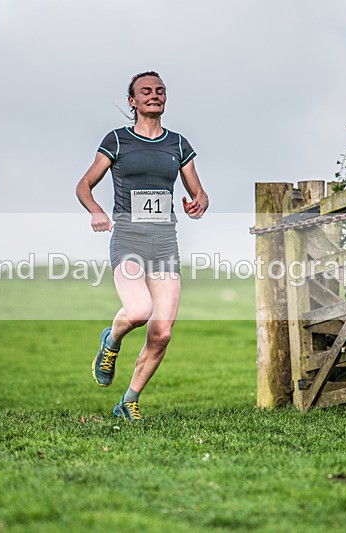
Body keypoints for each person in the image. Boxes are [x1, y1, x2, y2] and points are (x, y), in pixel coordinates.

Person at [75, 71, 209, 422]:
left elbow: (199, 192)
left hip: (164, 243)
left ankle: (129, 400)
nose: (154, 95)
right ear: (132, 101)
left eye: (160, 91)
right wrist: (96, 211)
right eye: (145, 91)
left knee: (161, 333)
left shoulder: (178, 145)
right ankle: (111, 341)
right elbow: (84, 185)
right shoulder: (117, 140)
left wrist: (199, 202)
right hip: (129, 239)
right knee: (137, 311)